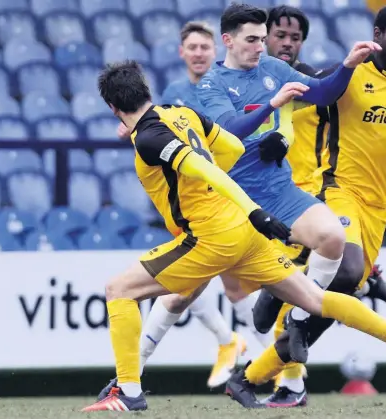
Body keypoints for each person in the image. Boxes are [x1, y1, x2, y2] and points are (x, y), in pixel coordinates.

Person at [82, 60, 386, 412]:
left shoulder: (148, 137)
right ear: (145, 90)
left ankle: (129, 392)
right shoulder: (182, 114)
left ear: (113, 108)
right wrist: (241, 208)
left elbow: (204, 167)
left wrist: (253, 208)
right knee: (313, 299)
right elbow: (233, 148)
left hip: (212, 237)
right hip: (242, 230)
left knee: (119, 290)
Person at [229, 4, 386, 408]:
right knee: (344, 271)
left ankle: (251, 375)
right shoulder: (348, 74)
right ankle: (290, 298)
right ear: (378, 34)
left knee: (340, 291)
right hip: (339, 189)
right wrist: (272, 132)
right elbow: (292, 101)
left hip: (380, 206)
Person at [116, 21, 274, 393]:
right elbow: (155, 141)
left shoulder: (226, 84)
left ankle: (132, 378)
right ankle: (265, 361)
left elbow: (234, 135)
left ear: (216, 49)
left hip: (232, 193)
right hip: (194, 204)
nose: (200, 53)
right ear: (182, 53)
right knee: (195, 286)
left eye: (205, 47)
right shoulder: (172, 96)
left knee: (210, 288)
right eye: (193, 48)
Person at [257, 5, 386, 407]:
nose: (287, 43)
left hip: (308, 197)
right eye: (279, 35)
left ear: (303, 41)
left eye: (294, 37)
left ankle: (291, 384)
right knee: (284, 287)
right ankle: (287, 379)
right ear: (264, 36)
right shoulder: (248, 85)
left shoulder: (316, 83)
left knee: (293, 289)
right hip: (264, 196)